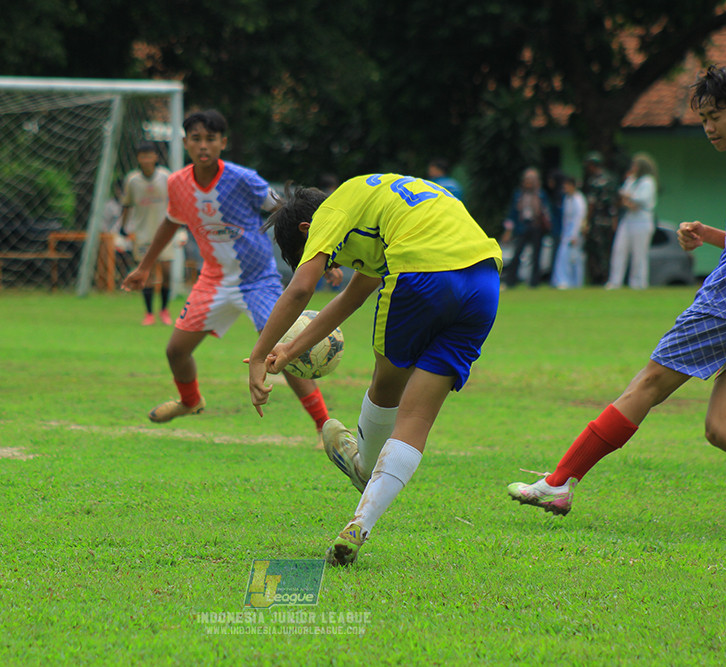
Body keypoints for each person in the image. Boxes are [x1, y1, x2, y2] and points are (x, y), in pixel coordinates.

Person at [508, 65, 726, 516]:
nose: (708, 127)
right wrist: (711, 236)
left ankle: (558, 483)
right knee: (721, 425)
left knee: (649, 383)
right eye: (703, 119)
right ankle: (559, 483)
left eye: (716, 116)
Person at [249, 174, 502, 566]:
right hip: (484, 283)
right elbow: (354, 294)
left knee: (386, 389)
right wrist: (289, 349)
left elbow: (300, 289)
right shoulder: (373, 207)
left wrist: (258, 355)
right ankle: (360, 523)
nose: (330, 264)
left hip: (421, 276)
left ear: (307, 228)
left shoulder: (331, 211)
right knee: (417, 418)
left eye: (317, 255)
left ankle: (363, 468)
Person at [122, 110, 331, 436]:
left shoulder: (244, 179)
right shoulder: (177, 183)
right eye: (196, 139)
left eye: (210, 139)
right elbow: (171, 221)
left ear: (223, 142)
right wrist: (145, 266)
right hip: (214, 279)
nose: (203, 145)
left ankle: (323, 426)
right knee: (175, 350)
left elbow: (288, 212)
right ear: (185, 143)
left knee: (281, 351)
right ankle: (190, 401)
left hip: (258, 280)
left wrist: (323, 257)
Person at [122, 141, 173, 325]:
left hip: (165, 233)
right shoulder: (132, 180)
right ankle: (149, 313)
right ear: (138, 158)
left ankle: (164, 309)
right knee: (146, 274)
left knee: (167, 272)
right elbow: (127, 205)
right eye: (142, 156)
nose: (146, 160)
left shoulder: (166, 176)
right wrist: (123, 227)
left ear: (155, 157)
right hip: (143, 234)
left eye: (149, 156)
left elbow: (176, 203)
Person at [605, 153, 659, 289]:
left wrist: (629, 199)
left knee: (639, 253)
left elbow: (640, 200)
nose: (633, 167)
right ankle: (615, 281)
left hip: (642, 220)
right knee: (619, 249)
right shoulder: (631, 180)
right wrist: (628, 199)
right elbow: (623, 195)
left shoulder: (648, 181)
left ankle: (639, 283)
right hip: (629, 218)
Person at [502, 167, 552, 288]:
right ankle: (511, 280)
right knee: (517, 253)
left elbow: (546, 211)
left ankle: (534, 282)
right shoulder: (519, 195)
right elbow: (512, 213)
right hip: (523, 226)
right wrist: (508, 230)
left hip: (536, 226)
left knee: (536, 255)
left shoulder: (540, 194)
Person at [582, 152, 620, 285]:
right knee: (608, 251)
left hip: (597, 221)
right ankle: (607, 278)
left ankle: (598, 279)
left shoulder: (594, 181)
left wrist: (586, 221)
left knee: (596, 251)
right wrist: (615, 219)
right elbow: (616, 202)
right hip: (609, 220)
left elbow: (591, 203)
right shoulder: (611, 179)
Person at [551, 174, 588, 289]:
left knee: (575, 258)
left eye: (566, 186)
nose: (565, 188)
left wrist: (574, 235)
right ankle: (563, 281)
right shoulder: (567, 199)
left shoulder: (579, 199)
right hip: (567, 233)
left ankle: (576, 283)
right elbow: (566, 219)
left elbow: (579, 218)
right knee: (563, 257)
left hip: (575, 233)